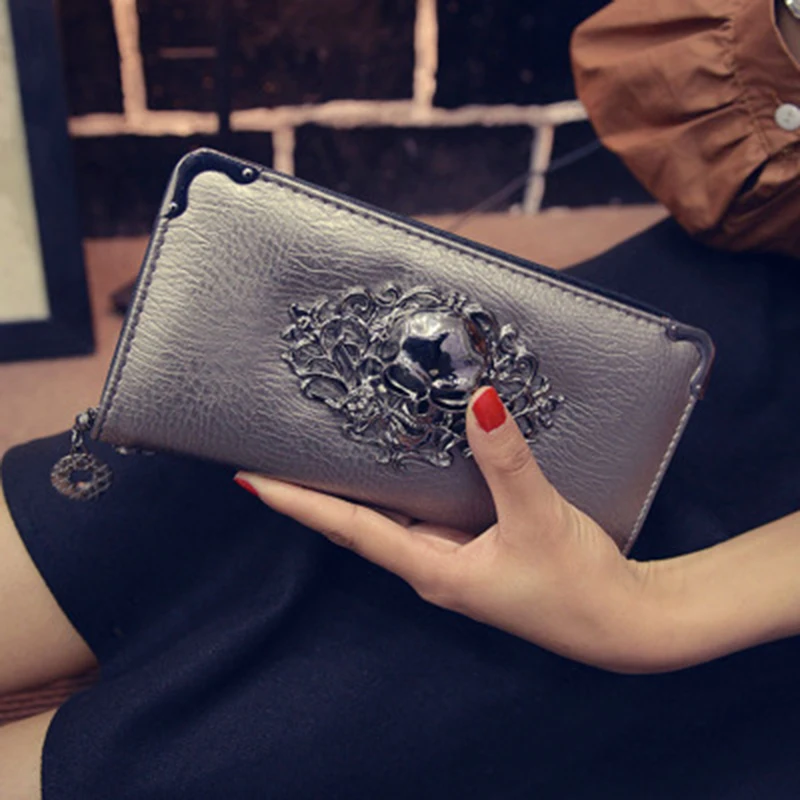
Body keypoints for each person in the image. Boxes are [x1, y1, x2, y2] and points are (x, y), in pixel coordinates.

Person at [1, 0, 799, 797]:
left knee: (350, 699)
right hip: (750, 295)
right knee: (207, 458)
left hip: (742, 575)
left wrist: (652, 609)